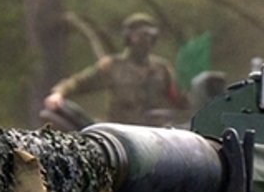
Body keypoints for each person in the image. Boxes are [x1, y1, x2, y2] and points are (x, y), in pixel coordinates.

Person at [42, 13, 184, 125]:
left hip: (155, 138)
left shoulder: (162, 69)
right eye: (139, 36)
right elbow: (79, 82)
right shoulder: (112, 67)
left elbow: (179, 99)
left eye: (149, 36)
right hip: (121, 137)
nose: (144, 41)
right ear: (128, 38)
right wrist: (59, 93)